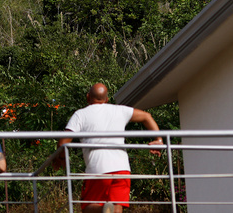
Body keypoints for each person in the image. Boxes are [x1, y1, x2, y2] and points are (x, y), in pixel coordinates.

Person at [54, 83, 162, 213]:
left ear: (88, 97)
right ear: (107, 99)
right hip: (122, 169)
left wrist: (60, 158)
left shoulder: (81, 114)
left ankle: (102, 210)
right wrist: (158, 139)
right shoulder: (120, 110)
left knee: (87, 207)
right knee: (117, 207)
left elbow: (62, 143)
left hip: (98, 169)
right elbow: (146, 116)